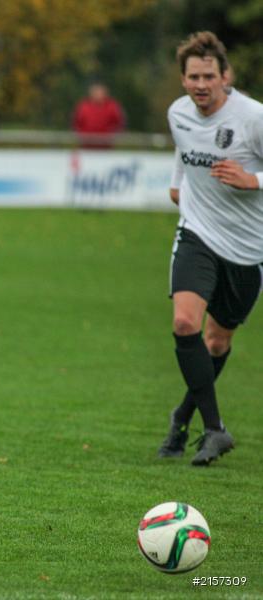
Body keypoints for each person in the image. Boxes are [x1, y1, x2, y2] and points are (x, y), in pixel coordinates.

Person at [157, 31, 263, 466]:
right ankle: (215, 429)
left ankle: (183, 417)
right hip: (197, 233)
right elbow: (185, 152)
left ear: (226, 76)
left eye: (208, 76)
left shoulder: (253, 118)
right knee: (186, 323)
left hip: (246, 248)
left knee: (217, 343)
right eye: (192, 77)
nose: (201, 85)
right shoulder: (178, 114)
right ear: (183, 79)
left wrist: (253, 180)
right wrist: (178, 186)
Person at [72, 83, 126, 148]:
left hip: (106, 147)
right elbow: (76, 123)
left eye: (100, 92)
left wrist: (112, 136)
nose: (98, 95)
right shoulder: (83, 106)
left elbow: (120, 123)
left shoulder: (112, 106)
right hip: (86, 146)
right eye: (96, 92)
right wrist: (81, 137)